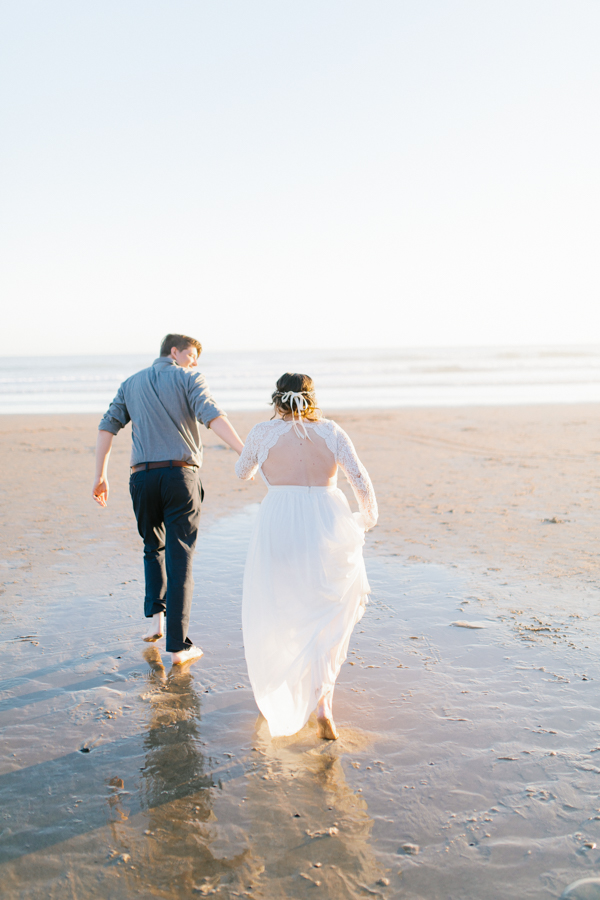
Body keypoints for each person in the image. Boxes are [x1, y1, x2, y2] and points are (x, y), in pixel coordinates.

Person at [235, 372, 378, 740]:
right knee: (324, 614)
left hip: (282, 523)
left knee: (284, 608)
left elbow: (242, 472)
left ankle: (284, 689)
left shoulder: (262, 433)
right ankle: (324, 707)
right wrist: (367, 518)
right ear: (311, 397)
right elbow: (359, 478)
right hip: (328, 523)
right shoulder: (331, 431)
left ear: (277, 399)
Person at [93, 333, 244, 665]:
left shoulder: (130, 383)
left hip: (141, 478)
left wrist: (100, 476)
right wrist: (245, 453)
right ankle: (177, 647)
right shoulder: (189, 377)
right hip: (179, 475)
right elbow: (212, 415)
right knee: (181, 558)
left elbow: (107, 427)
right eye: (191, 354)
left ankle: (156, 620)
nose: (194, 361)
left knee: (152, 546)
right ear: (173, 352)